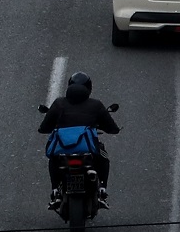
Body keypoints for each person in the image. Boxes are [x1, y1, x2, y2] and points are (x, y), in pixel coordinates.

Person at [38, 70, 120, 199]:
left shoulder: (59, 103)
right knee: (103, 157)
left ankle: (54, 189)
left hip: (62, 149)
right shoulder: (96, 104)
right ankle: (103, 187)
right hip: (87, 148)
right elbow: (111, 128)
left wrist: (46, 127)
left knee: (53, 158)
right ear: (89, 88)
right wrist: (113, 129)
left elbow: (44, 127)